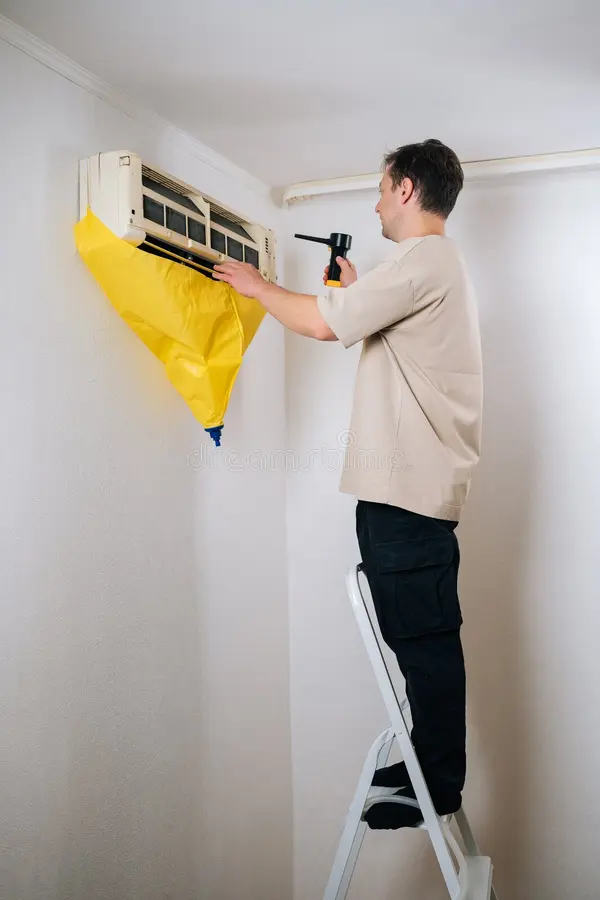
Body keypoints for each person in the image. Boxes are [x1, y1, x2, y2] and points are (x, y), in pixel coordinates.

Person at [213, 138, 483, 829]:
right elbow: (359, 322)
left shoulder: (423, 261)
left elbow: (321, 325)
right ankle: (426, 764)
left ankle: (438, 785)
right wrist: (352, 287)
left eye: (382, 188)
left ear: (407, 189)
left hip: (406, 499)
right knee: (417, 640)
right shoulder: (430, 268)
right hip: (407, 496)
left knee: (424, 645)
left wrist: (256, 285)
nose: (376, 203)